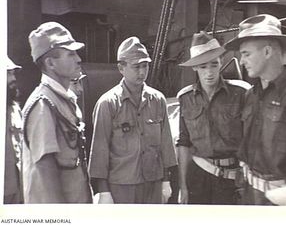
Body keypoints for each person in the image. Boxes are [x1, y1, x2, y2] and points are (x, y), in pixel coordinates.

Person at [225, 14, 286, 205]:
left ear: (268, 52)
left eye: (246, 54)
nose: (242, 60)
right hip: (250, 196)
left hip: (284, 202)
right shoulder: (251, 95)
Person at [88, 36, 177, 204]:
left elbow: (165, 146)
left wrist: (166, 180)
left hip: (153, 185)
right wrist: (103, 191)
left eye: (145, 66)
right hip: (121, 187)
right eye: (136, 67)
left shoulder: (158, 100)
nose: (142, 72)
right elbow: (100, 151)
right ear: (121, 68)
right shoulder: (108, 104)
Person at [176, 31, 251, 204]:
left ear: (221, 62)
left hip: (233, 178)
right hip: (198, 176)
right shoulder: (185, 98)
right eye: (203, 67)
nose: (209, 72)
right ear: (195, 68)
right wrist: (183, 186)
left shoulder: (240, 93)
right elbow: (184, 143)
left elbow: (250, 138)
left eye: (213, 65)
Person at [22, 22, 92, 203]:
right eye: (70, 54)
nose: (78, 59)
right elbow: (45, 175)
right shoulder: (43, 105)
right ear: (50, 63)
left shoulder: (64, 99)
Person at [4, 56, 23, 204]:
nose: (13, 78)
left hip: (18, 189)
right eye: (8, 74)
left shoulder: (15, 110)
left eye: (13, 73)